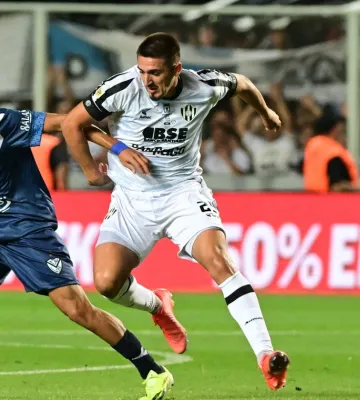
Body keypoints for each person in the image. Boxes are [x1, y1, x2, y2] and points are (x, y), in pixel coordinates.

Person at [0, 58, 173, 400]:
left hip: (27, 232)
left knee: (77, 309)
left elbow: (69, 123)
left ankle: (153, 371)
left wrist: (117, 147)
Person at [61, 32, 290, 391]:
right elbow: (72, 123)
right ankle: (158, 306)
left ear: (176, 69)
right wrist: (98, 165)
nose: (147, 80)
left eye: (155, 72)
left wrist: (266, 112)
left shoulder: (205, 85)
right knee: (106, 283)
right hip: (132, 200)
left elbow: (243, 83)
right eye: (142, 71)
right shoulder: (122, 88)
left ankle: (266, 354)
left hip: (183, 195)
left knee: (219, 261)